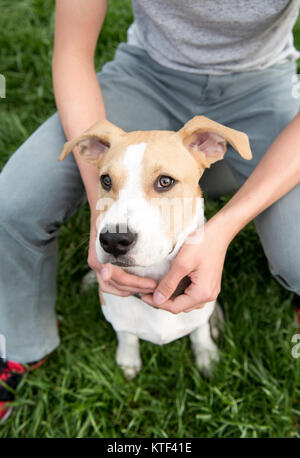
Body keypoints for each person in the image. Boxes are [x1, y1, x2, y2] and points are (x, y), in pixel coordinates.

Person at [0, 0, 300, 423]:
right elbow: (70, 50)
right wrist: (99, 203)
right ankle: (23, 347)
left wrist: (223, 228)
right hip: (147, 72)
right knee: (13, 203)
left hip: (264, 81)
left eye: (163, 183)